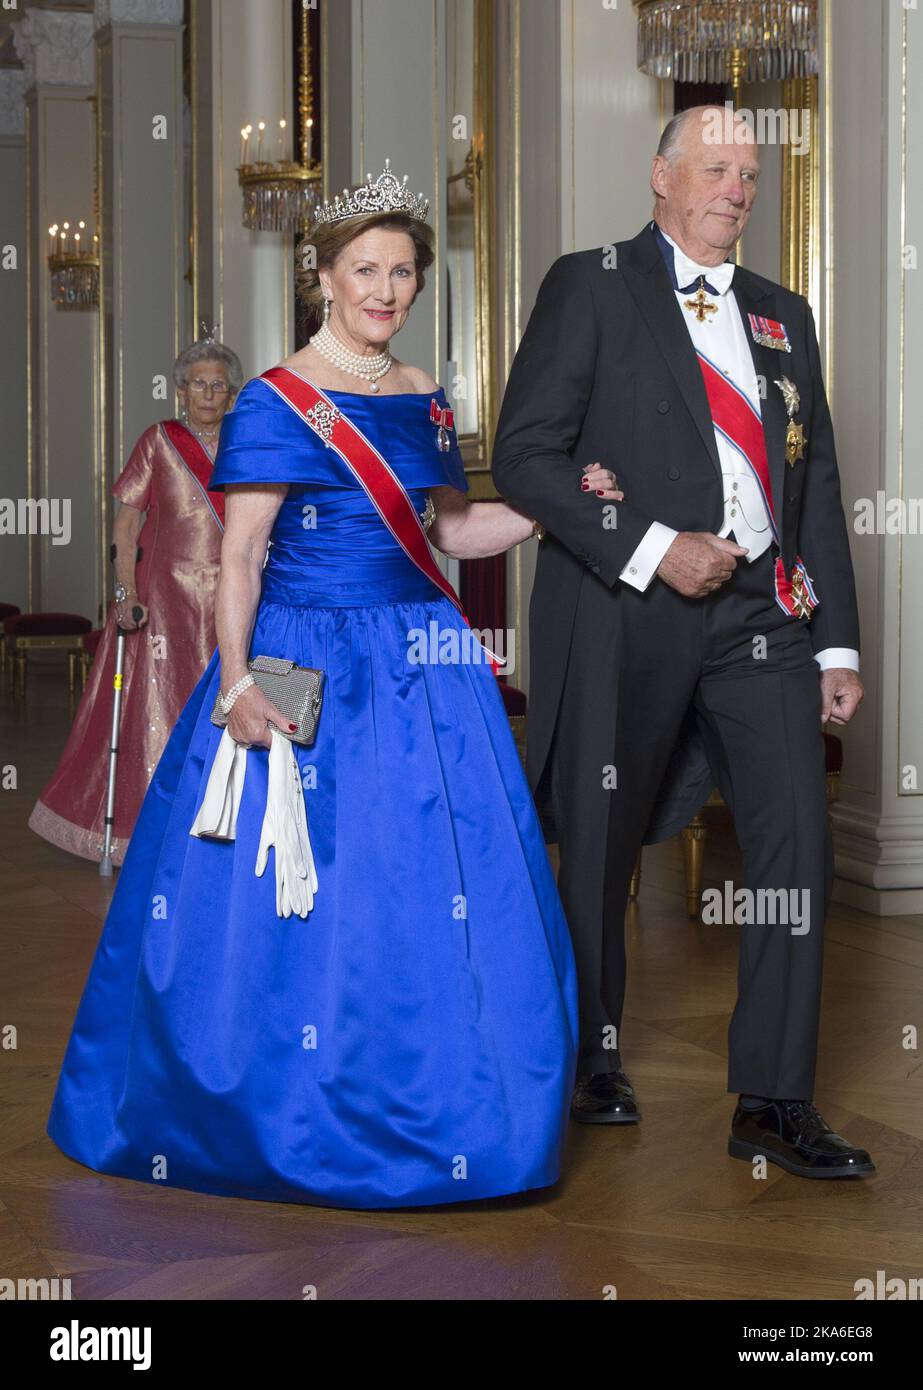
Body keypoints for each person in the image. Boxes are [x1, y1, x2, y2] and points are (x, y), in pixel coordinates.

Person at [45, 161, 621, 1208]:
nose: (386, 290)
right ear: (323, 277)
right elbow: (242, 557)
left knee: (430, 879)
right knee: (294, 896)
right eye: (366, 269)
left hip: (422, 661)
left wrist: (552, 509)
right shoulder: (275, 399)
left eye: (402, 272)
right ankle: (282, 1111)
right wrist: (231, 687)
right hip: (302, 660)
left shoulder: (425, 400)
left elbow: (450, 534)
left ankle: (450, 1110)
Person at [491, 107, 874, 1179]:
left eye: (748, 174)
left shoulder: (781, 313)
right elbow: (523, 456)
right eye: (714, 168)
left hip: (762, 618)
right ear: (660, 175)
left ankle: (772, 1097)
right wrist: (652, 545)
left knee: (795, 841)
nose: (735, 190)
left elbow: (816, 490)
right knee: (602, 841)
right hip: (629, 606)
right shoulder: (591, 281)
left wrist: (835, 646)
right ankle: (589, 1056)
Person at [29, 335, 242, 865]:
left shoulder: (246, 443)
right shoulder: (159, 441)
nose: (209, 394)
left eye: (219, 385)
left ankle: (221, 821)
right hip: (164, 598)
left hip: (232, 596)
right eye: (199, 384)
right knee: (161, 703)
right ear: (180, 391)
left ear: (232, 394)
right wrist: (124, 593)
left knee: (226, 702)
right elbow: (125, 526)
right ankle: (155, 827)